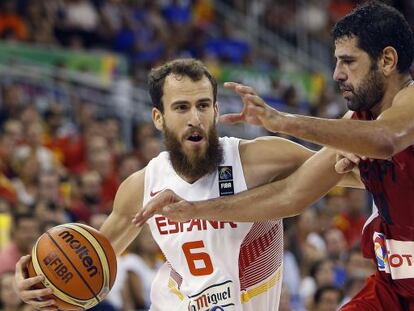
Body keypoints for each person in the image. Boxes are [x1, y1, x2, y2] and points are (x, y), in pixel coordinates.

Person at [14, 58, 361, 311]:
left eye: (202, 105)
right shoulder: (141, 185)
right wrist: (37, 282)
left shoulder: (258, 159)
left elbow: (348, 174)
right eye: (181, 107)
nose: (194, 118)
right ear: (158, 117)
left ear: (214, 110)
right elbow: (94, 266)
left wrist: (360, 148)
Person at [134, 2, 414, 310]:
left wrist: (284, 122)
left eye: (348, 62)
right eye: (336, 62)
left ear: (387, 60)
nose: (337, 74)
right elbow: (291, 194)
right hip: (394, 286)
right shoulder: (358, 122)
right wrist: (195, 210)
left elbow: (388, 139)